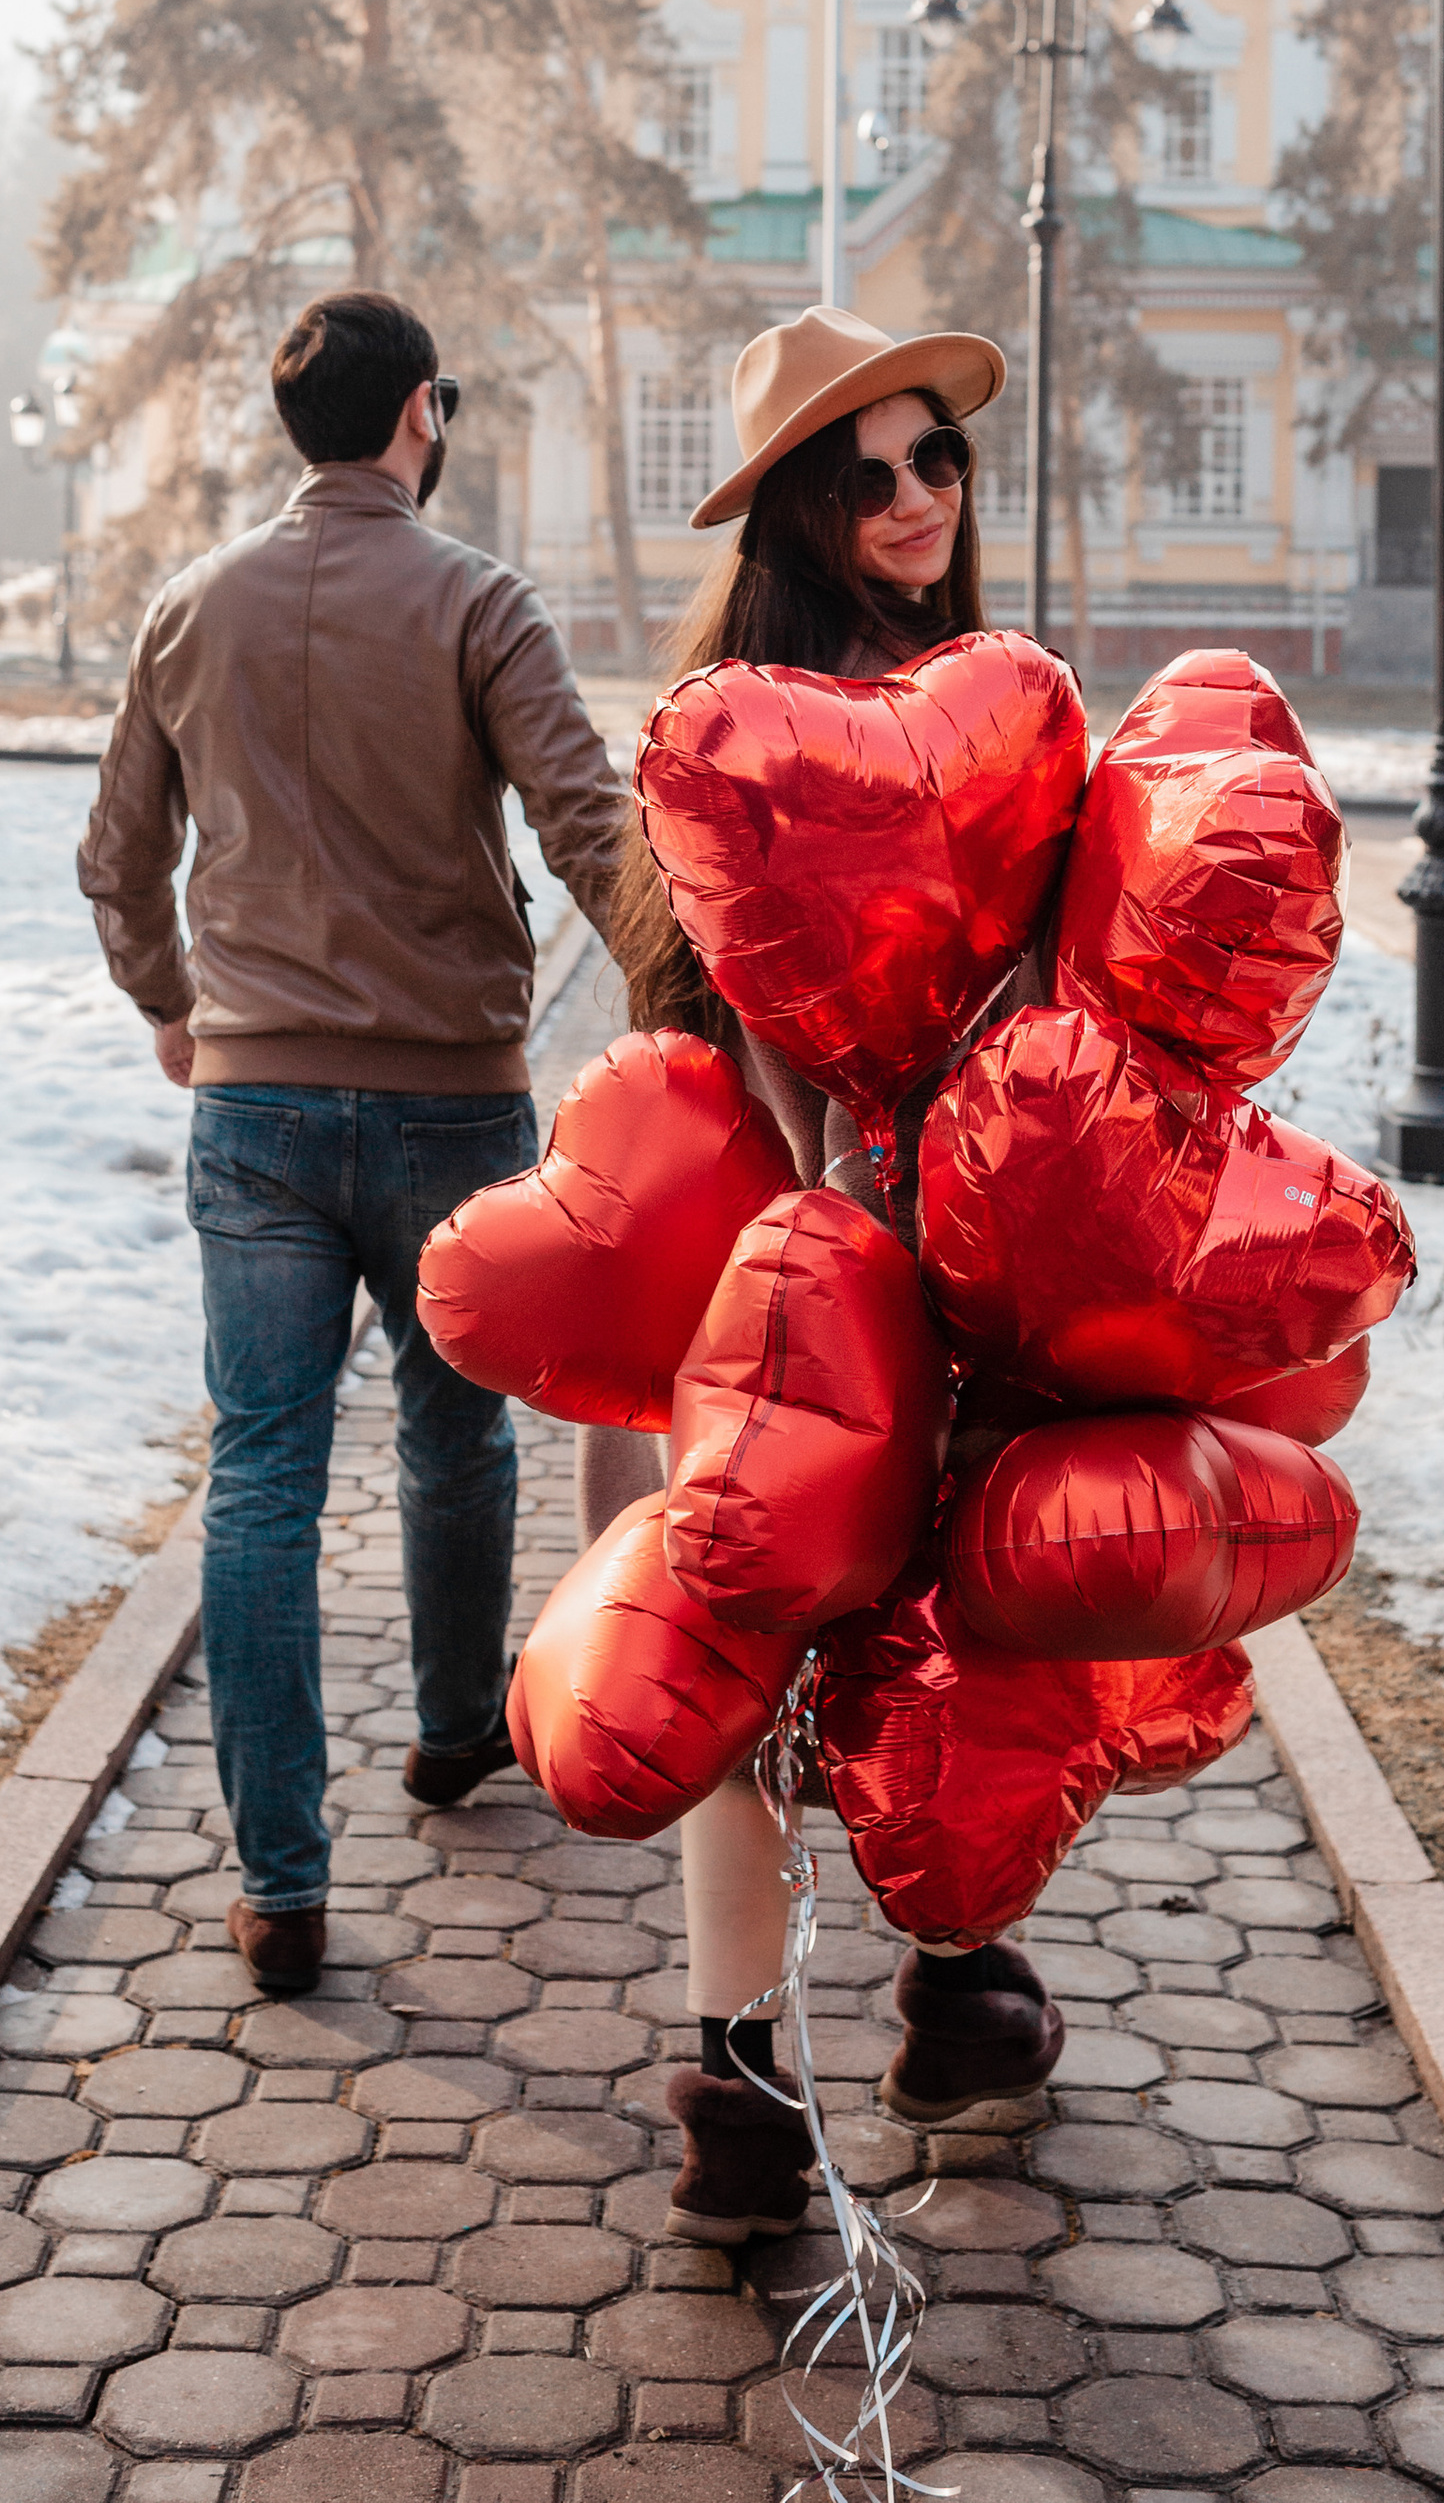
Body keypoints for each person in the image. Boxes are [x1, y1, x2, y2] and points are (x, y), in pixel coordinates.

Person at [79, 290, 629, 2004]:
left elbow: (116, 855)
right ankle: (460, 1726)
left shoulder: (190, 607)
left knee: (261, 1478)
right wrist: (697, 1003)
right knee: (458, 1435)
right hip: (456, 1097)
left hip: (251, 1108)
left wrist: (175, 1005)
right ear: (420, 420)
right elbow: (589, 823)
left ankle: (280, 1882)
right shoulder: (480, 603)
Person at [596, 301, 1067, 2245]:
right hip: (792, 1251)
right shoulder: (743, 719)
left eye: (933, 459)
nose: (910, 497)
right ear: (795, 500)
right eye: (862, 469)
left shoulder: (1000, 700)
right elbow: (736, 1018)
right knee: (753, 1664)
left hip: (949, 1232)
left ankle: (933, 2001)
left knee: (943, 1639)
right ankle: (751, 2078)